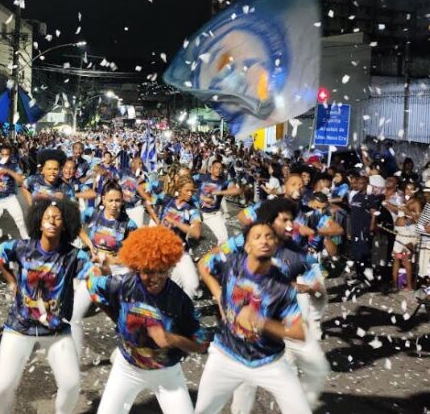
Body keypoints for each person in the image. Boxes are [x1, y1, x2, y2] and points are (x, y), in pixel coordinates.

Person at [89, 226, 209, 414]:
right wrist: (116, 317)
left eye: (161, 271)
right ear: (137, 267)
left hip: (166, 373)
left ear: (169, 267)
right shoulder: (123, 284)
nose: (155, 278)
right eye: (147, 271)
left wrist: (170, 339)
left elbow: (201, 344)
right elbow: (93, 286)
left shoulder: (180, 301)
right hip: (127, 368)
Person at [0, 198, 92, 414]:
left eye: (57, 217)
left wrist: (104, 270)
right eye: (47, 217)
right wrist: (11, 281)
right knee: (1, 389)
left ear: (65, 224)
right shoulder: (22, 248)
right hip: (19, 327)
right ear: (38, 222)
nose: (52, 221)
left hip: (56, 331)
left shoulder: (74, 255)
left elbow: (92, 275)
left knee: (71, 384)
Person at [194, 223, 311, 414]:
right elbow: (203, 264)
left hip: (269, 361)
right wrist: (219, 294)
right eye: (257, 237)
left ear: (274, 246)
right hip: (226, 355)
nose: (264, 240)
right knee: (203, 410)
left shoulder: (282, 286)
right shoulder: (230, 263)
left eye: (269, 237)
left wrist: (261, 322)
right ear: (247, 246)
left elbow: (299, 332)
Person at [72, 180, 137, 358]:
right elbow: (73, 222)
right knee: (74, 315)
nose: (114, 205)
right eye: (110, 200)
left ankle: (127, 353)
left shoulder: (129, 224)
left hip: (118, 272)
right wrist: (89, 245)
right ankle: (74, 360)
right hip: (94, 269)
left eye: (118, 200)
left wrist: (110, 260)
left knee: (122, 316)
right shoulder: (92, 213)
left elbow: (132, 255)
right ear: (103, 200)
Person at [158, 176, 202, 299]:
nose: (190, 194)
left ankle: (183, 309)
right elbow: (149, 198)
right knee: (161, 286)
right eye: (187, 190)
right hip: (161, 248)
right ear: (179, 189)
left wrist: (175, 223)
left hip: (180, 250)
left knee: (192, 285)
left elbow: (196, 233)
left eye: (192, 191)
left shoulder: (192, 209)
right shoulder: (167, 200)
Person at [197, 160, 241, 243]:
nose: (219, 170)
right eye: (216, 167)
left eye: (220, 168)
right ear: (211, 168)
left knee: (224, 240)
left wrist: (219, 192)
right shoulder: (203, 177)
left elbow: (237, 191)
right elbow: (188, 179)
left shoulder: (224, 182)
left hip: (213, 215)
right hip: (197, 213)